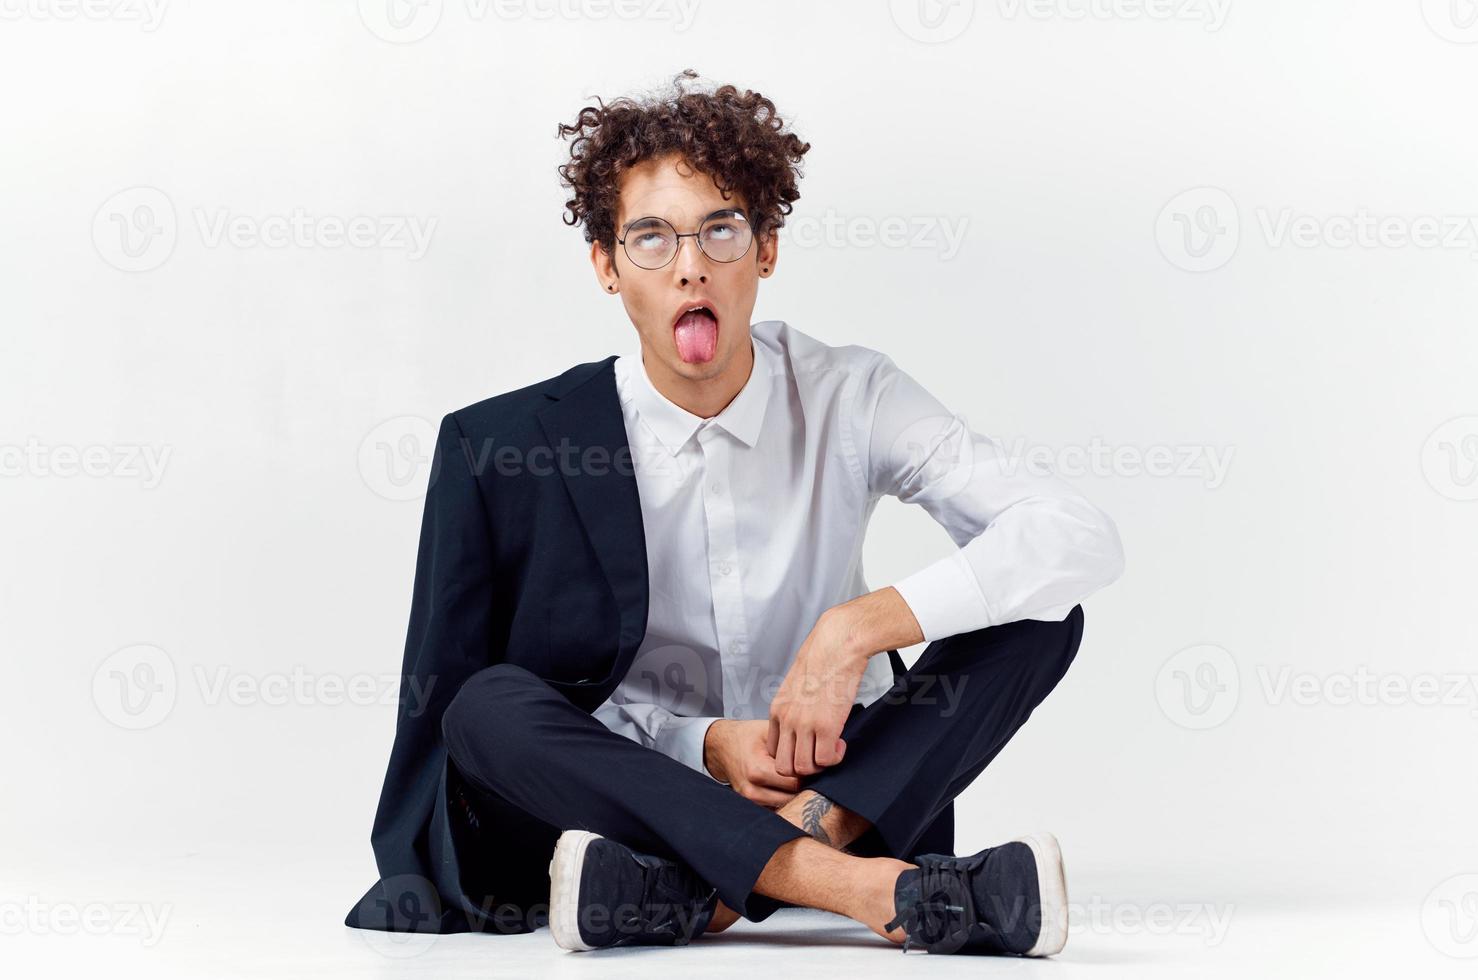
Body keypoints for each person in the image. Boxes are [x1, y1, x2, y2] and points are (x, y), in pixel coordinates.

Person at [345, 70, 1124, 957]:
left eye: (721, 228)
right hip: (630, 801)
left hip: (840, 779)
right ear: (605, 265)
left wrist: (855, 629)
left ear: (766, 250)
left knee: (1040, 615)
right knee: (486, 707)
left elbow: (1078, 535)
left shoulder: (852, 395)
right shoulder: (502, 443)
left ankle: (702, 895)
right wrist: (708, 746)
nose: (690, 264)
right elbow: (450, 715)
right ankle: (865, 889)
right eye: (650, 237)